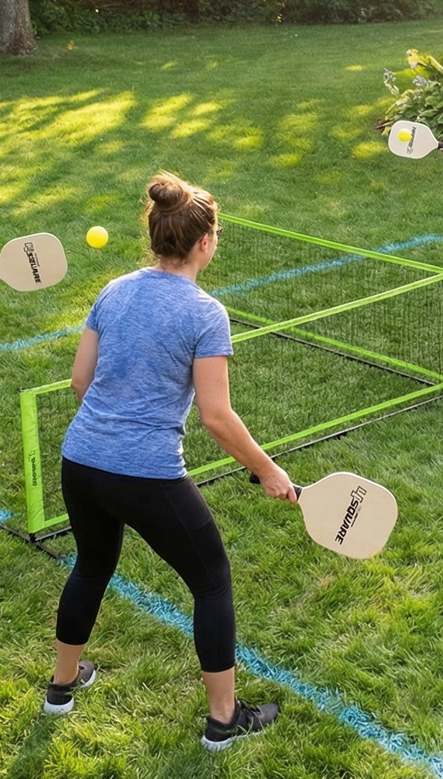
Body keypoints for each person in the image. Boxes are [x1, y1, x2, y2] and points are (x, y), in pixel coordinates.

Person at [46, 172, 296, 749]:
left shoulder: (113, 290)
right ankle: (224, 720)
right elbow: (217, 417)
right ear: (205, 242)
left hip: (81, 459)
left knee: (91, 564)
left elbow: (80, 379)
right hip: (145, 472)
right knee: (211, 581)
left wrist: (111, 425)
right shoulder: (205, 313)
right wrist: (267, 468)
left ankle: (61, 688)